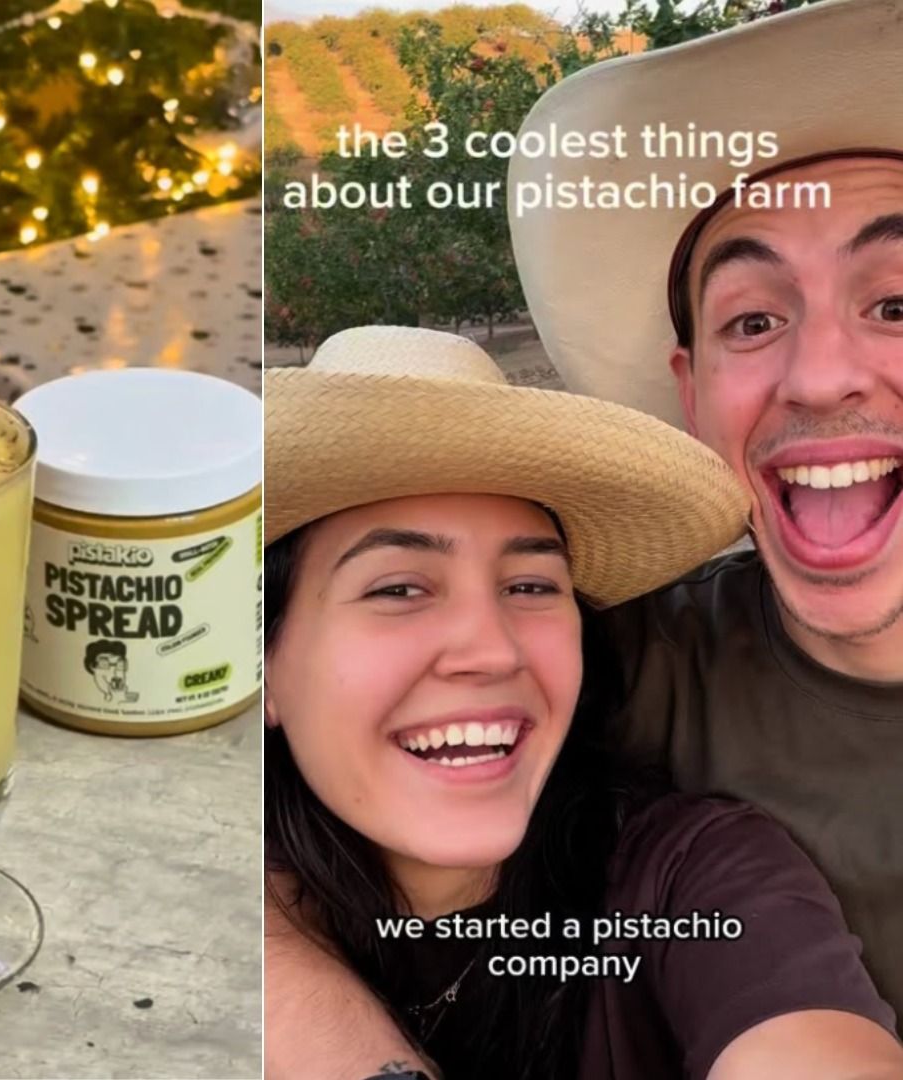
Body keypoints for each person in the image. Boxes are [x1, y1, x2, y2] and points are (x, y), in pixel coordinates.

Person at [267, 0, 903, 1073]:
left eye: (898, 303)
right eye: (753, 318)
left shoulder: (688, 865)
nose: (823, 373)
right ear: (694, 392)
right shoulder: (631, 661)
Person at [267, 325, 902, 1078]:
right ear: (266, 667)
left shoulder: (689, 875)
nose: (493, 650)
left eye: (531, 587)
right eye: (398, 588)